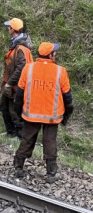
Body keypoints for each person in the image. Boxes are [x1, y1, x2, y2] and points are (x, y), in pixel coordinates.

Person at [13, 42, 74, 183]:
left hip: (31, 114)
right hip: (52, 117)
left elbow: (19, 95)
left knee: (27, 140)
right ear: (51, 55)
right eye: (54, 52)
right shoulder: (61, 71)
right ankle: (51, 173)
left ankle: (18, 167)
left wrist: (19, 112)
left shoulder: (28, 68)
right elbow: (68, 97)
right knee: (50, 142)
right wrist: (67, 115)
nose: (56, 54)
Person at [0, 18, 33, 138]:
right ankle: (10, 132)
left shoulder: (21, 48)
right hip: (10, 84)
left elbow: (21, 68)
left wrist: (9, 83)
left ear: (13, 29)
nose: (7, 29)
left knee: (14, 111)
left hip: (16, 86)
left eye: (9, 27)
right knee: (4, 107)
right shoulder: (15, 43)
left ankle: (19, 136)